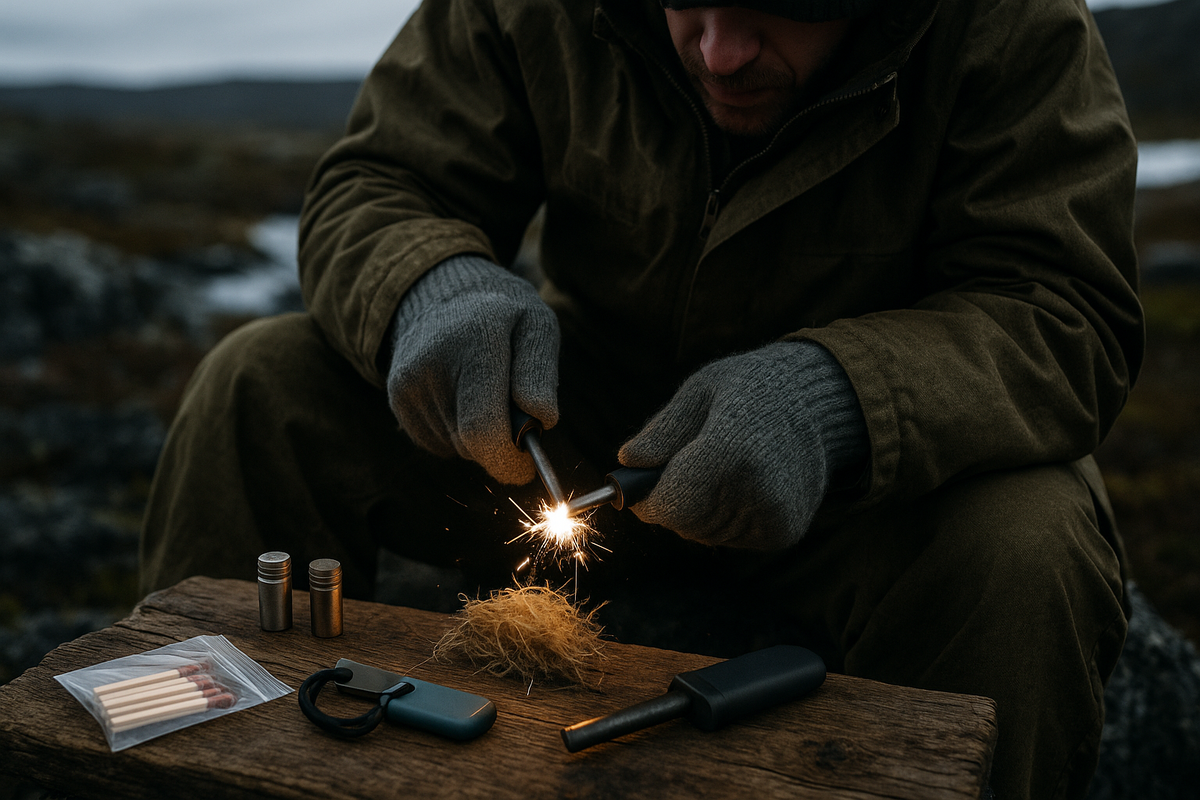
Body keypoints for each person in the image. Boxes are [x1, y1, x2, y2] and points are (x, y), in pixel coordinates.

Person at [139, 0, 1142, 796]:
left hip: (866, 492)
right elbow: (381, 179)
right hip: (570, 434)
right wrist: (428, 287)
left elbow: (1063, 307)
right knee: (261, 382)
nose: (720, 51)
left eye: (778, 9)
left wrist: (836, 399)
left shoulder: (1013, 27)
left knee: (1028, 539)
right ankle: (188, 763)